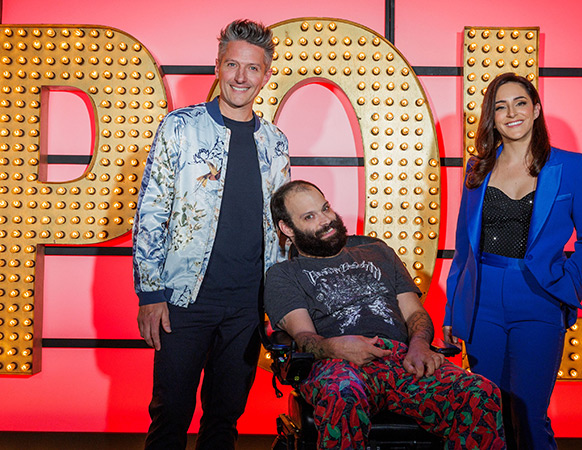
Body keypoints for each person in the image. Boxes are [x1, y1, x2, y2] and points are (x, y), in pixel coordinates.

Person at [132, 19, 289, 450]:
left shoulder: (276, 142)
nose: (242, 77)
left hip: (247, 306)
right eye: (232, 65)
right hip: (183, 302)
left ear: (266, 74)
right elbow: (151, 211)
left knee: (224, 420)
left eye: (252, 68)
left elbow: (282, 229)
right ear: (217, 67)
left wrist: (280, 301)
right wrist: (150, 294)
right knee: (171, 415)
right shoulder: (179, 128)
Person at [264, 180, 506, 450]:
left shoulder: (378, 252)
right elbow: (304, 337)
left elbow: (415, 313)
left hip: (401, 360)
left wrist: (419, 345)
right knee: (343, 393)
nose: (326, 220)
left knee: (480, 393)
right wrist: (338, 347)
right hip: (336, 364)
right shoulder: (283, 275)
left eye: (325, 209)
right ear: (287, 228)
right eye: (310, 217)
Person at [444, 73, 582, 449]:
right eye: (500, 106)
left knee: (529, 413)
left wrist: (569, 276)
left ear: (535, 110)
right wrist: (453, 311)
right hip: (482, 299)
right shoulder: (477, 168)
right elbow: (463, 248)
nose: (510, 113)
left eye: (519, 103)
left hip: (538, 298)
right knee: (488, 411)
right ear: (491, 117)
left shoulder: (569, 167)